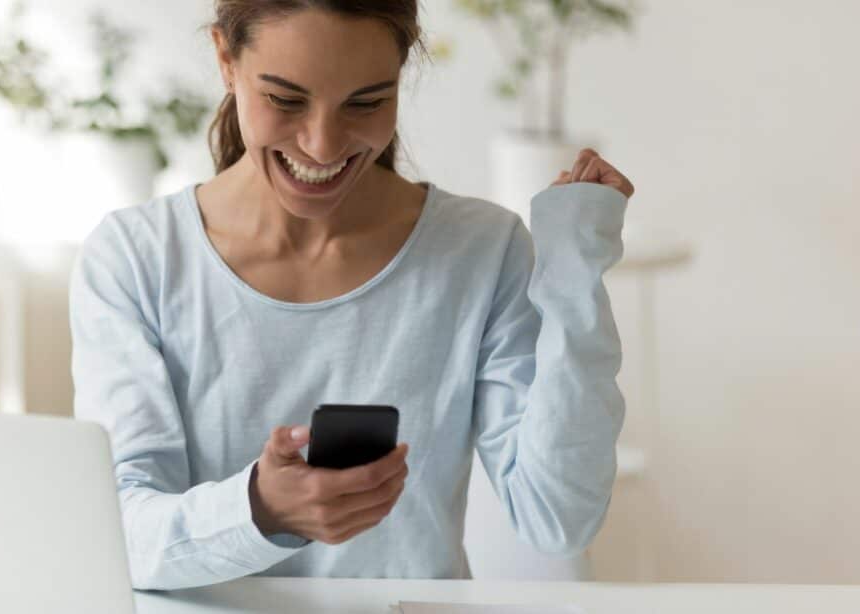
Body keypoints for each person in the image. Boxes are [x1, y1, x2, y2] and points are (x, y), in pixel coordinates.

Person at [71, 0, 635, 591]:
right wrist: (259, 508)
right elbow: (117, 535)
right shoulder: (138, 257)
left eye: (366, 102)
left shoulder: (481, 250)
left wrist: (574, 277)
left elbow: (558, 516)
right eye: (285, 100)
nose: (321, 144)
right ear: (225, 59)